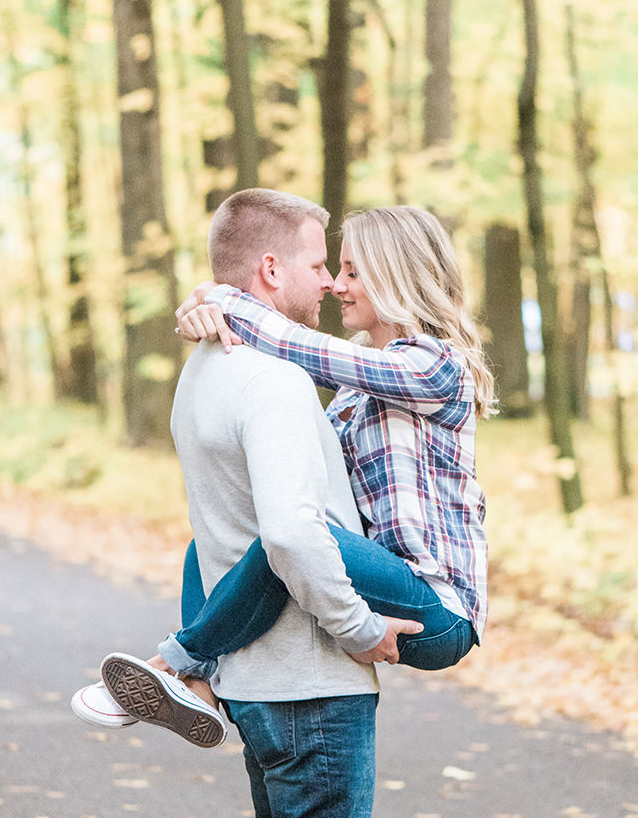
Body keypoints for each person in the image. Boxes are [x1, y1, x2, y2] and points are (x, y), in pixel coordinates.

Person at [74, 189, 421, 818]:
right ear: (270, 269)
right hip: (310, 684)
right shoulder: (275, 382)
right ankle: (182, 663)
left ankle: (191, 671)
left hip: (255, 685)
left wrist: (208, 299)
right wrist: (360, 629)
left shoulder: (202, 372)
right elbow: (288, 533)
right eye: (319, 266)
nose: (329, 283)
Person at [158, 203, 491, 688]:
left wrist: (221, 297)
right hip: (376, 577)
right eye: (335, 269)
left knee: (293, 534)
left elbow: (301, 348)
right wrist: (211, 301)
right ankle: (201, 685)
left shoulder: (434, 368)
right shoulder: (361, 386)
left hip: (436, 606)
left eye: (352, 271)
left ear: (395, 278)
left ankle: (178, 661)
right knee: (210, 541)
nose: (336, 284)